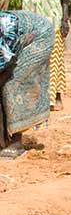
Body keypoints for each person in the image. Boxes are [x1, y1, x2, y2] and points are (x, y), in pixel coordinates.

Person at [0, 11, 55, 159]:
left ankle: (16, 143)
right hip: (19, 39)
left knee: (12, 83)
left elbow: (5, 65)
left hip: (40, 36)